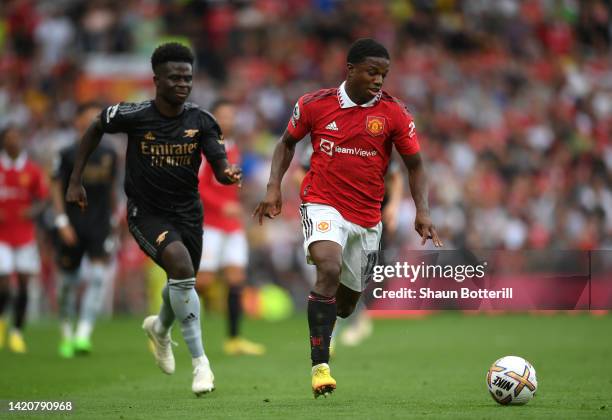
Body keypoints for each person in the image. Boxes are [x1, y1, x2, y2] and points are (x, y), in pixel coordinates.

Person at [254, 38, 443, 398]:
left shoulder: (395, 113)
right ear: (351, 70)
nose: (378, 80)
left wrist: (422, 210)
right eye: (372, 72)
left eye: (384, 74)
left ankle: (329, 329)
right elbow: (286, 143)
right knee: (327, 267)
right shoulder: (314, 104)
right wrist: (273, 187)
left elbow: (415, 164)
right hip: (322, 203)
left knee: (346, 303)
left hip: (367, 217)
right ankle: (320, 366)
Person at [66, 43, 242, 396]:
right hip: (145, 213)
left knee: (183, 280)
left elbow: (219, 163)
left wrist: (227, 174)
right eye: (175, 77)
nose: (183, 83)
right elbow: (96, 127)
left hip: (189, 214)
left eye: (188, 78)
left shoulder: (202, 120)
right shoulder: (134, 115)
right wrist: (75, 179)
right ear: (156, 80)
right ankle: (201, 364)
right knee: (180, 268)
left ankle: (160, 329)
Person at [195, 99, 265, 356]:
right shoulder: (203, 149)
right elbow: (198, 186)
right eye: (222, 115)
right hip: (210, 223)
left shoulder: (235, 149)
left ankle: (234, 339)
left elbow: (234, 187)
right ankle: (165, 325)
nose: (227, 120)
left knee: (236, 279)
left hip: (232, 225)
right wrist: (220, 206)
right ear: (212, 118)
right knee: (203, 282)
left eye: (231, 115)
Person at [51, 102, 118, 358]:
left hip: (100, 223)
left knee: (99, 277)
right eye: (89, 118)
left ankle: (83, 334)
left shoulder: (110, 153)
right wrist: (61, 222)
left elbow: (112, 189)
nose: (94, 123)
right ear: (78, 121)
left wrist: (114, 221)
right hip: (72, 223)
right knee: (68, 282)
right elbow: (56, 187)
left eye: (97, 118)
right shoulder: (68, 152)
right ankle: (66, 333)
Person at [0, 125, 48, 353]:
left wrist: (34, 211)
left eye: (17, 137)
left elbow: (43, 198)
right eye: (9, 138)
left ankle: (17, 332)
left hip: (25, 235)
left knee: (25, 284)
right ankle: (1, 322)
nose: (14, 141)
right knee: (5, 284)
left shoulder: (32, 170)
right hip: (1, 237)